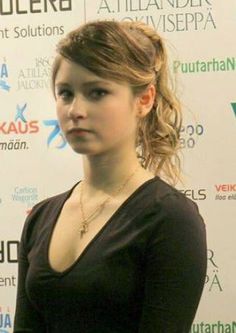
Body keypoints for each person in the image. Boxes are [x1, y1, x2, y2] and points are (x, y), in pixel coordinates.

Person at [14, 20, 207, 333]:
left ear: (144, 100)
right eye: (66, 93)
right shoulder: (40, 217)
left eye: (97, 92)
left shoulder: (170, 218)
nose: (75, 110)